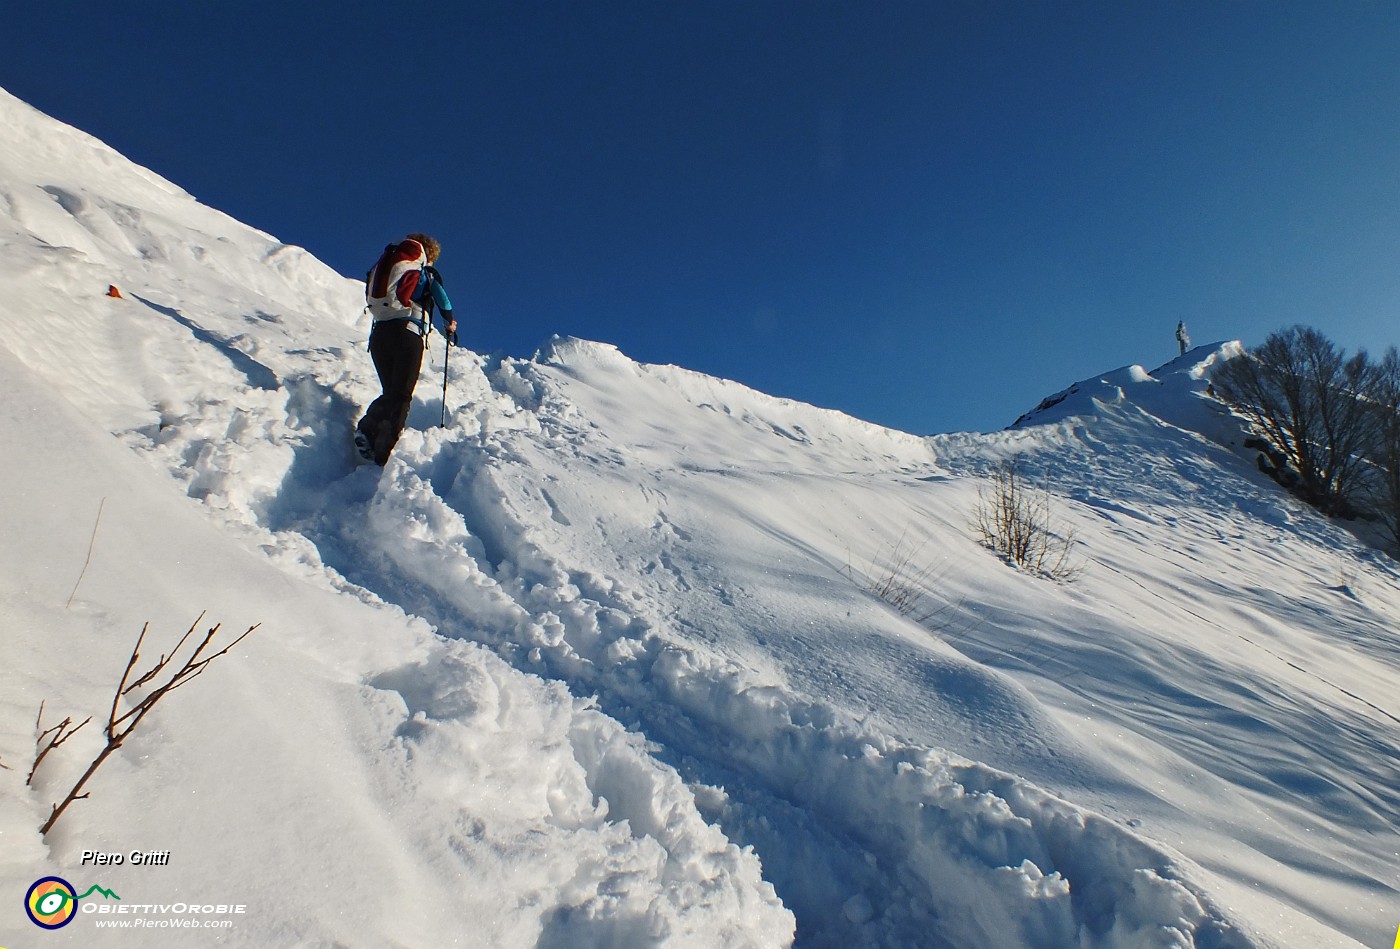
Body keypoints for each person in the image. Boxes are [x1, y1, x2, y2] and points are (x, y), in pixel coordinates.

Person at [354, 233, 457, 466]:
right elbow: (443, 301)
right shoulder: (425, 272)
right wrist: (449, 322)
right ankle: (381, 451)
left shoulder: (386, 266)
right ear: (429, 255)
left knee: (391, 391)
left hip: (380, 334)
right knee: (401, 395)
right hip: (407, 332)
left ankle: (372, 438)